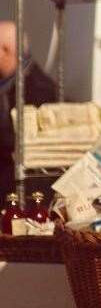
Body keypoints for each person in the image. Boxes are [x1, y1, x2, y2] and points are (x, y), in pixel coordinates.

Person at [0, 20, 59, 197]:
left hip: (25, 188)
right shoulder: (10, 84)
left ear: (5, 51)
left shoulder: (38, 92)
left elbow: (18, 143)